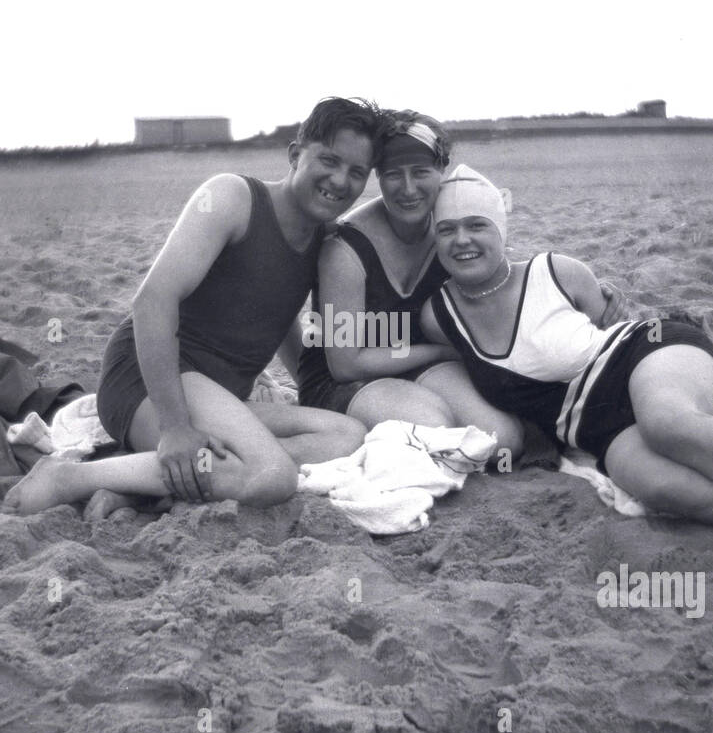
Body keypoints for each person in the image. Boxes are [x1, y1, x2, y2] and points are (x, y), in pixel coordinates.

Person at [4, 97, 384, 516]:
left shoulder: (323, 239)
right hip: (153, 380)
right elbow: (152, 300)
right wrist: (175, 427)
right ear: (295, 154)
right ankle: (71, 477)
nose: (340, 180)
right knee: (272, 475)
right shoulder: (232, 198)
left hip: (223, 399)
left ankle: (137, 484)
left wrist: (308, 390)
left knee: (345, 434)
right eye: (329, 160)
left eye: (357, 172)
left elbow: (282, 319)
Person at [298, 111, 623, 457]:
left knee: (501, 439)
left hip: (417, 365)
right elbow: (345, 364)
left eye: (421, 172)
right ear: (379, 175)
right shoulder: (345, 250)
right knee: (439, 430)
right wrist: (442, 350)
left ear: (442, 170)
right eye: (393, 174)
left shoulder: (450, 231)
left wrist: (588, 291)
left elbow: (504, 279)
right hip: (344, 382)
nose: (408, 189)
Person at [421, 165, 713, 522]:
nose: (461, 239)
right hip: (595, 429)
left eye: (477, 224)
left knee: (668, 424)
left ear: (501, 230)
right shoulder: (439, 315)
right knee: (663, 487)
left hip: (641, 356)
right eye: (446, 230)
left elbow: (619, 322)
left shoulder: (555, 271)